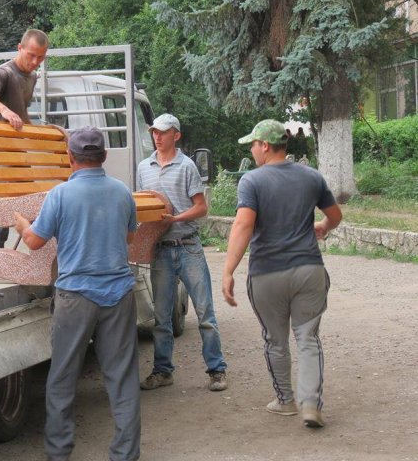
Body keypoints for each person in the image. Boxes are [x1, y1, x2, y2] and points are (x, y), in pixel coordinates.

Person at [14, 126, 140, 461]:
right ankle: (125, 454)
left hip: (75, 297)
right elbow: (129, 240)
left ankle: (59, 453)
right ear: (104, 156)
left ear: (70, 158)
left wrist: (21, 224)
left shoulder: (60, 195)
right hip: (118, 293)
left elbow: (34, 241)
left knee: (63, 377)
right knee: (122, 377)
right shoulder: (122, 192)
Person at [221, 119, 342, 428]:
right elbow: (335, 215)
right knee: (308, 338)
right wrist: (323, 228)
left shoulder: (252, 181)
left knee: (275, 340)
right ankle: (311, 404)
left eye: (253, 144)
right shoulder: (311, 177)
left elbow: (243, 225)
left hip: (267, 274)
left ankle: (285, 401)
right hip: (309, 270)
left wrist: (228, 270)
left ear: (265, 146)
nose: (251, 149)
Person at [137, 113, 228, 392]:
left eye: (163, 132)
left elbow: (201, 208)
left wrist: (174, 220)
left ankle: (217, 371)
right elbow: (144, 206)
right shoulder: (144, 167)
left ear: (176, 135)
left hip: (188, 246)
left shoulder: (187, 166)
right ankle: (163, 371)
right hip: (160, 250)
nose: (157, 136)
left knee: (205, 313)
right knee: (162, 317)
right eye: (154, 131)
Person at [0, 29, 49, 249]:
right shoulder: (4, 72)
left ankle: (37, 252)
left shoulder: (33, 76)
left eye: (41, 57)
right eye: (31, 55)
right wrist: (4, 111)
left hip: (18, 152)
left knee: (32, 202)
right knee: (4, 205)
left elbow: (22, 112)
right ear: (20, 48)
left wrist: (40, 134)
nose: (35, 62)